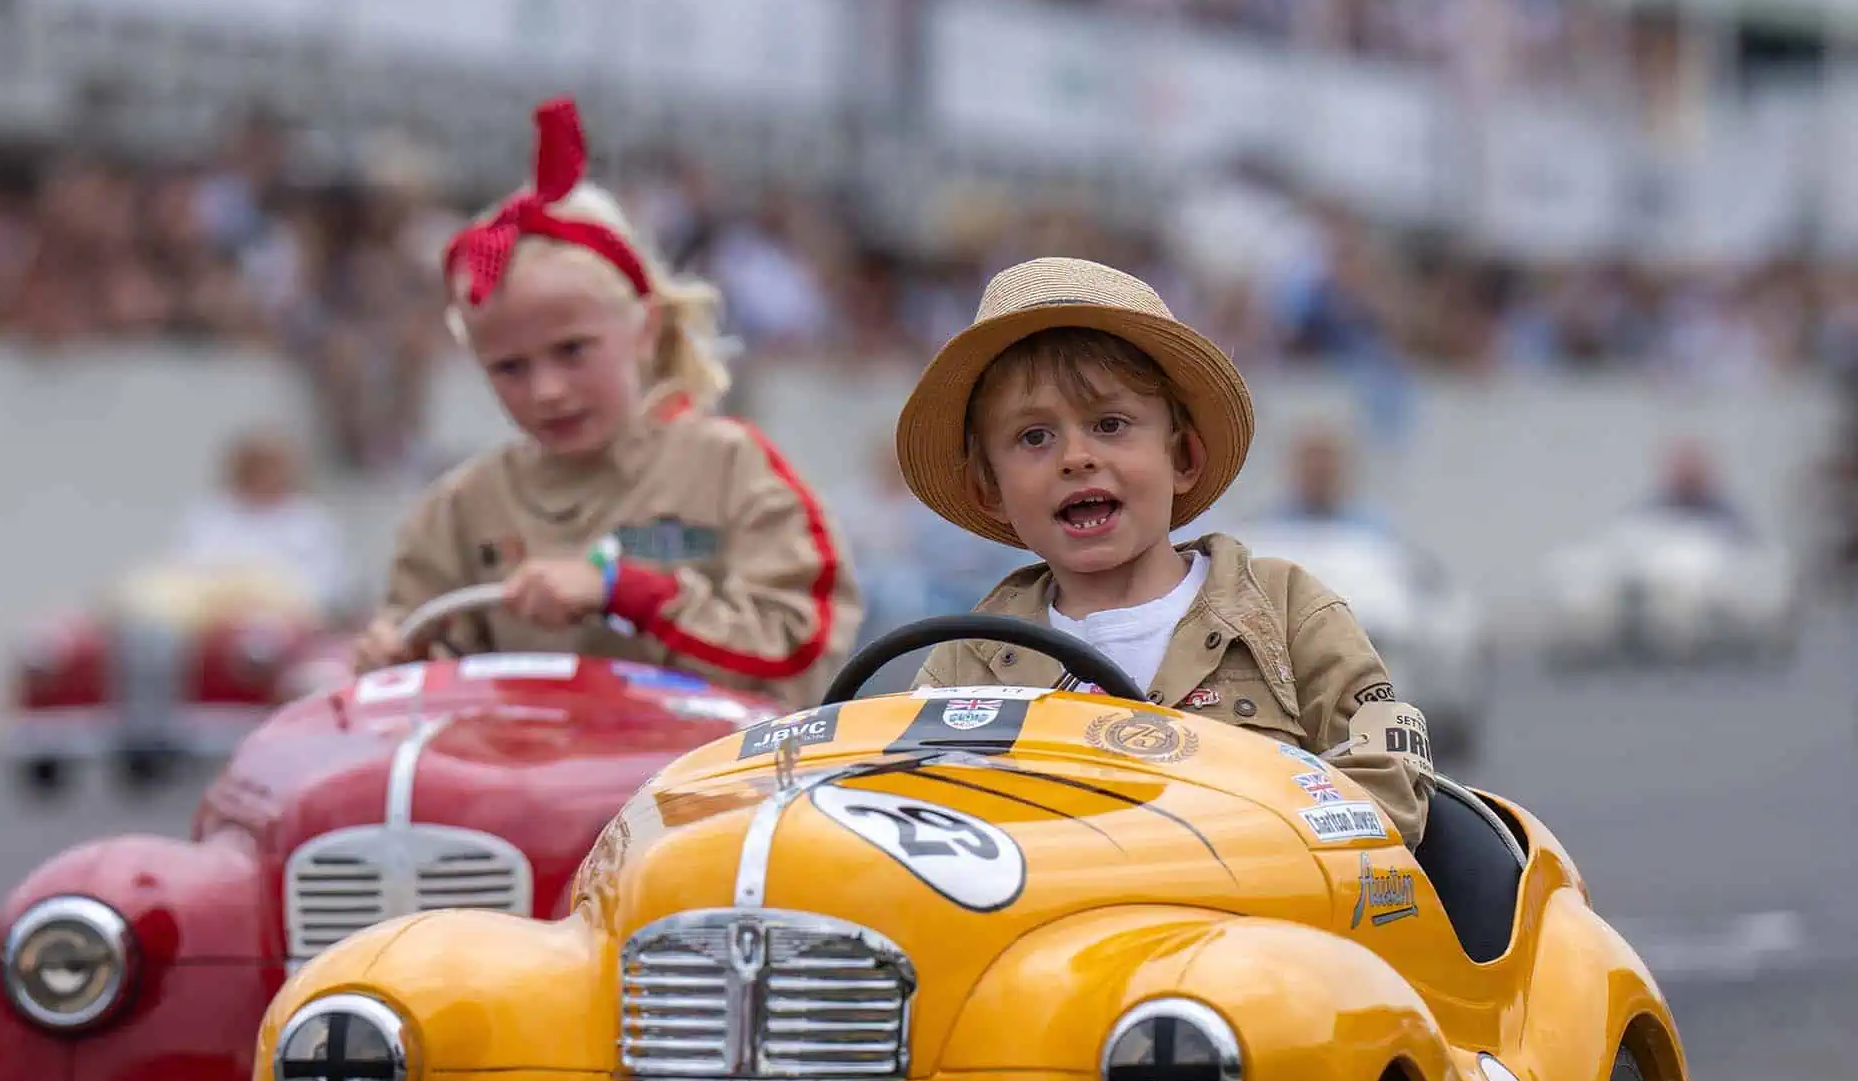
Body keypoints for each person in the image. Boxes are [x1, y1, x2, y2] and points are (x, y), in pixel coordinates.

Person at [895, 256, 1427, 846]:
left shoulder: (1289, 613)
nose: (1075, 457)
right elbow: (910, 823)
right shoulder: (969, 662)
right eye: (1034, 437)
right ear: (988, 490)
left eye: (1111, 424)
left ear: (1183, 459)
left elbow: (1390, 792)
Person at [350, 99, 860, 703]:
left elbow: (803, 654)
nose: (548, 391)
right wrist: (396, 658)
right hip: (521, 791)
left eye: (573, 351)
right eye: (510, 367)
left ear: (644, 329)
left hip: (703, 792)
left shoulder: (731, 468)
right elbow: (418, 688)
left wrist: (626, 592)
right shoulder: (462, 508)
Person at [175, 429, 354, 614]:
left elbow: (332, 581)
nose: (266, 476)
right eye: (257, 468)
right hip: (217, 617)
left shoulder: (311, 519)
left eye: (273, 468)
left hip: (293, 619)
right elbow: (188, 567)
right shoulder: (210, 514)